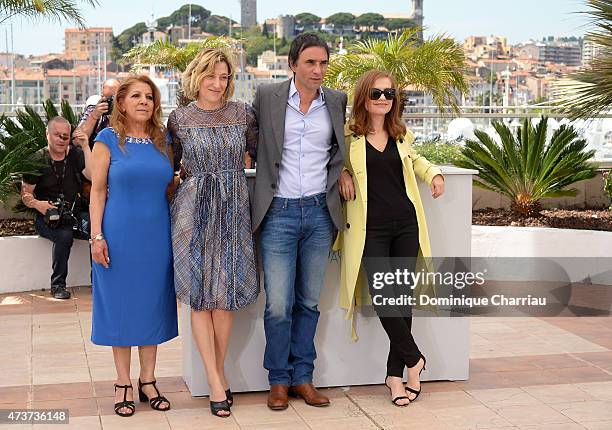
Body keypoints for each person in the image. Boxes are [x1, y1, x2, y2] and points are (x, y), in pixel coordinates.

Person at [250, 33, 348, 411]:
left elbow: (344, 146)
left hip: (321, 214)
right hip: (278, 211)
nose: (318, 70)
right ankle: (278, 380)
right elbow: (247, 137)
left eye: (323, 63)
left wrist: (346, 172)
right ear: (293, 64)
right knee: (277, 304)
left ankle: (303, 377)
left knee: (308, 302)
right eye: (310, 62)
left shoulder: (336, 101)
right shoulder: (267, 96)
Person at [336, 69, 445, 406]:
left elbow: (415, 161)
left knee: (401, 301)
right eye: (376, 94)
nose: (383, 99)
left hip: (406, 225)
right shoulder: (349, 135)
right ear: (363, 98)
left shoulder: (401, 133)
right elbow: (331, 161)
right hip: (371, 230)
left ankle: (397, 376)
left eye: (389, 94)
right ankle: (416, 359)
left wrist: (434, 174)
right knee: (385, 299)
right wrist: (341, 173)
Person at [167, 48, 259, 418]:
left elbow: (261, 155)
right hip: (192, 210)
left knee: (225, 297)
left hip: (234, 207)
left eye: (223, 77)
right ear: (196, 78)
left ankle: (215, 374)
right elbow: (169, 168)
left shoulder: (243, 114)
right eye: (211, 76)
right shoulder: (179, 118)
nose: (218, 84)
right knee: (200, 296)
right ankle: (215, 380)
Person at [89, 75, 178, 417]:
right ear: (122, 103)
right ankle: (123, 382)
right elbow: (97, 192)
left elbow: (167, 187)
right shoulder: (107, 139)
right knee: (122, 307)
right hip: (119, 236)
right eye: (136, 96)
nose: (144, 101)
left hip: (157, 236)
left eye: (150, 97)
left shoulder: (163, 140)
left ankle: (149, 380)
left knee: (151, 305)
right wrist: (97, 236)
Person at [21, 117, 92, 299]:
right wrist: (38, 205)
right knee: (64, 235)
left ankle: (98, 282)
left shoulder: (75, 155)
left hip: (73, 215)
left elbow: (92, 175)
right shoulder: (36, 159)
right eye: (57, 135)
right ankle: (58, 285)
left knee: (98, 228)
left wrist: (85, 146)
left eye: (65, 136)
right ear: (47, 134)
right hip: (47, 218)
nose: (61, 139)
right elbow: (25, 194)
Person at [77, 78, 120, 149]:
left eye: (113, 98)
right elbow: (77, 140)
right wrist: (94, 116)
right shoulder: (93, 110)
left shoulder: (127, 112)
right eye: (107, 98)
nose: (110, 102)